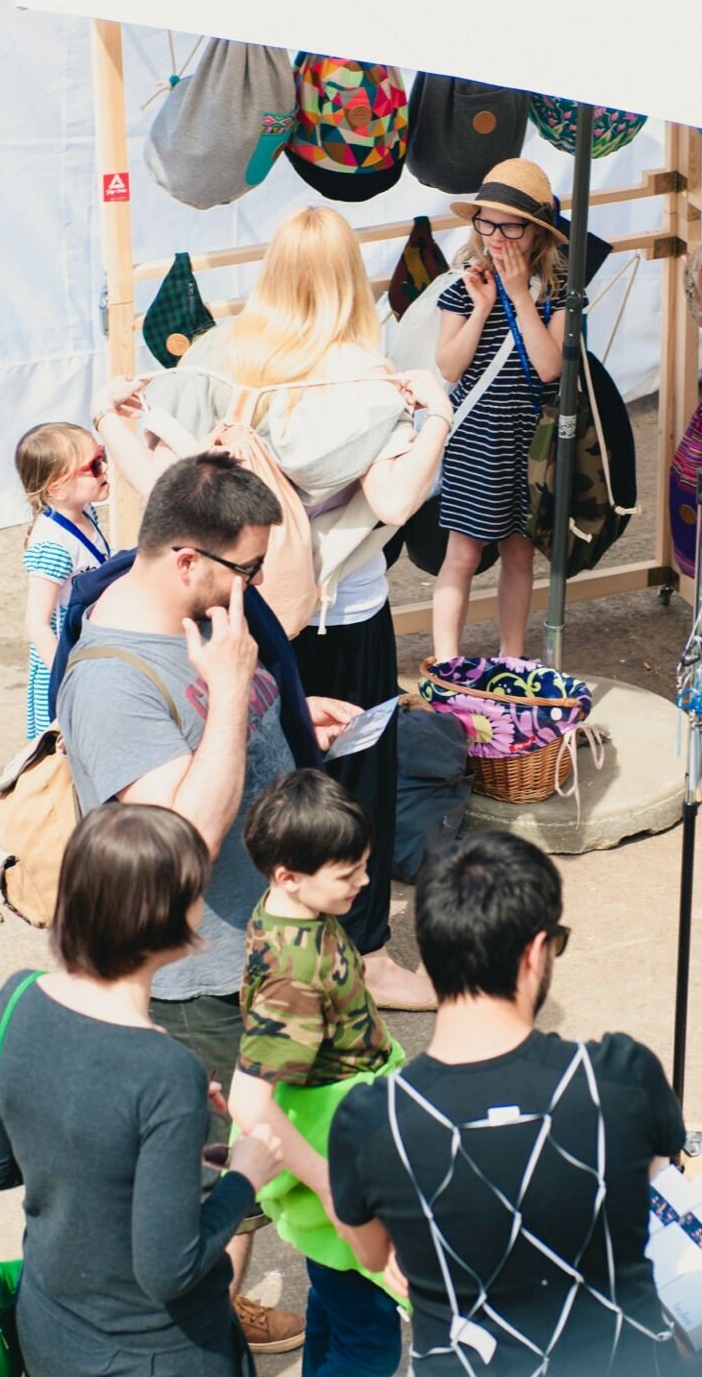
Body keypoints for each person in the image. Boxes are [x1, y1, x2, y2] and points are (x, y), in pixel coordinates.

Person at [98, 206, 451, 1013]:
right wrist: (434, 411)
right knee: (351, 782)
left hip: (231, 611)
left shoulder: (215, 364)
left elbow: (161, 480)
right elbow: (395, 497)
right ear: (345, 278)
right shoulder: (367, 383)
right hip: (337, 611)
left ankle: (268, 940)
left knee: (255, 775)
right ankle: (358, 956)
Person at [54, 450, 350, 1352]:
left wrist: (268, 710)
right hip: (206, 980)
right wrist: (229, 698)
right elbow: (182, 846)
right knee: (219, 1179)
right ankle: (202, 1349)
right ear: (187, 559)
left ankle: (220, 1307)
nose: (255, 589)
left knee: (256, 1166)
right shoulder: (109, 682)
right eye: (247, 570)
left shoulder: (203, 618)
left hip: (258, 954)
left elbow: (222, 738)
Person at [0, 806, 284, 1377]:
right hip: (155, 1371)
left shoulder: (11, 1002)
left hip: (55, 1336)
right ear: (166, 915)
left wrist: (144, 1157)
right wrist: (245, 1174)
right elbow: (168, 1268)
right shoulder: (162, 1069)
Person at [328, 830, 685, 1377]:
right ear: (535, 952)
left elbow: (371, 1255)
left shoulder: (372, 1120)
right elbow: (650, 1177)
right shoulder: (621, 1078)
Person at [229, 770, 405, 1377]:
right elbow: (252, 1101)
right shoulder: (292, 976)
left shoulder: (289, 914)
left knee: (335, 1314)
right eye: (347, 873)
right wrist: (331, 1187)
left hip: (344, 1144)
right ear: (288, 874)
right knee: (368, 1345)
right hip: (342, 1161)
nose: (362, 882)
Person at [432, 159, 568, 661]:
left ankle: (512, 657)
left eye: (510, 225)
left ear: (536, 232)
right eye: (486, 223)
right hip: (475, 436)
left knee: (518, 551)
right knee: (462, 553)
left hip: (531, 438)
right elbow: (449, 366)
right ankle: (446, 662)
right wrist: (484, 306)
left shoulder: (558, 297)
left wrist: (518, 297)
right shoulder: (461, 288)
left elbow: (550, 367)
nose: (497, 237)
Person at [14, 422, 111, 737]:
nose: (105, 467)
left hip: (90, 648)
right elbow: (37, 622)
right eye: (94, 465)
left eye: (102, 455)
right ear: (57, 488)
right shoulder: (54, 546)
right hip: (65, 662)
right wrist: (67, 677)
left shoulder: (85, 513)